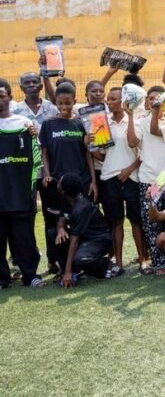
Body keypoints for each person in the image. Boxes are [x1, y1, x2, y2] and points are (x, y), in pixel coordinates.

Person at [0, 81, 46, 288]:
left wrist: (33, 187)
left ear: (10, 97)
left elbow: (36, 158)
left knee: (24, 238)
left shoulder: (25, 124)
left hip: (20, 193)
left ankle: (30, 275)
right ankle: (2, 279)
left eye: (2, 96)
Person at [13, 72, 58, 272]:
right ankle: (26, 262)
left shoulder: (52, 108)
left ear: (40, 86)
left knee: (52, 216)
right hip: (25, 172)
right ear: (21, 87)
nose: (31, 85)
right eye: (27, 83)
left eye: (34, 82)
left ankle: (54, 260)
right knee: (27, 217)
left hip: (49, 171)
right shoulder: (15, 111)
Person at [94, 87, 142, 277]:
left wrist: (129, 170)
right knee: (116, 222)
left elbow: (135, 147)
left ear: (123, 101)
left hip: (131, 178)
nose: (108, 102)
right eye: (108, 99)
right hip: (109, 178)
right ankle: (119, 263)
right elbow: (102, 155)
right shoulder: (101, 123)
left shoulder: (137, 121)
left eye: (113, 99)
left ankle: (142, 259)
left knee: (136, 221)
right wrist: (89, 146)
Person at [127, 86, 165, 276]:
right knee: (151, 223)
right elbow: (132, 142)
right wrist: (129, 115)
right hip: (148, 180)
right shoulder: (140, 122)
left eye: (158, 98)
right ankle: (159, 262)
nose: (154, 101)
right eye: (150, 98)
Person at [39, 83, 98, 226]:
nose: (64, 107)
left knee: (83, 223)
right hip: (58, 181)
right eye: (60, 103)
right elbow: (44, 153)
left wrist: (93, 181)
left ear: (75, 102)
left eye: (68, 103)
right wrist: (46, 174)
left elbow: (87, 154)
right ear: (55, 103)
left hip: (82, 181)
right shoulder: (48, 125)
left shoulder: (81, 123)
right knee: (59, 224)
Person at [53, 173, 114, 288]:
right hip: (85, 239)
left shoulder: (81, 208)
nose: (58, 181)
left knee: (80, 259)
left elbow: (74, 241)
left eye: (60, 181)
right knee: (53, 234)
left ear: (64, 190)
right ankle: (74, 270)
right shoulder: (67, 199)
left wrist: (68, 271)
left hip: (100, 240)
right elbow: (62, 217)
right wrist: (60, 229)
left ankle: (106, 265)